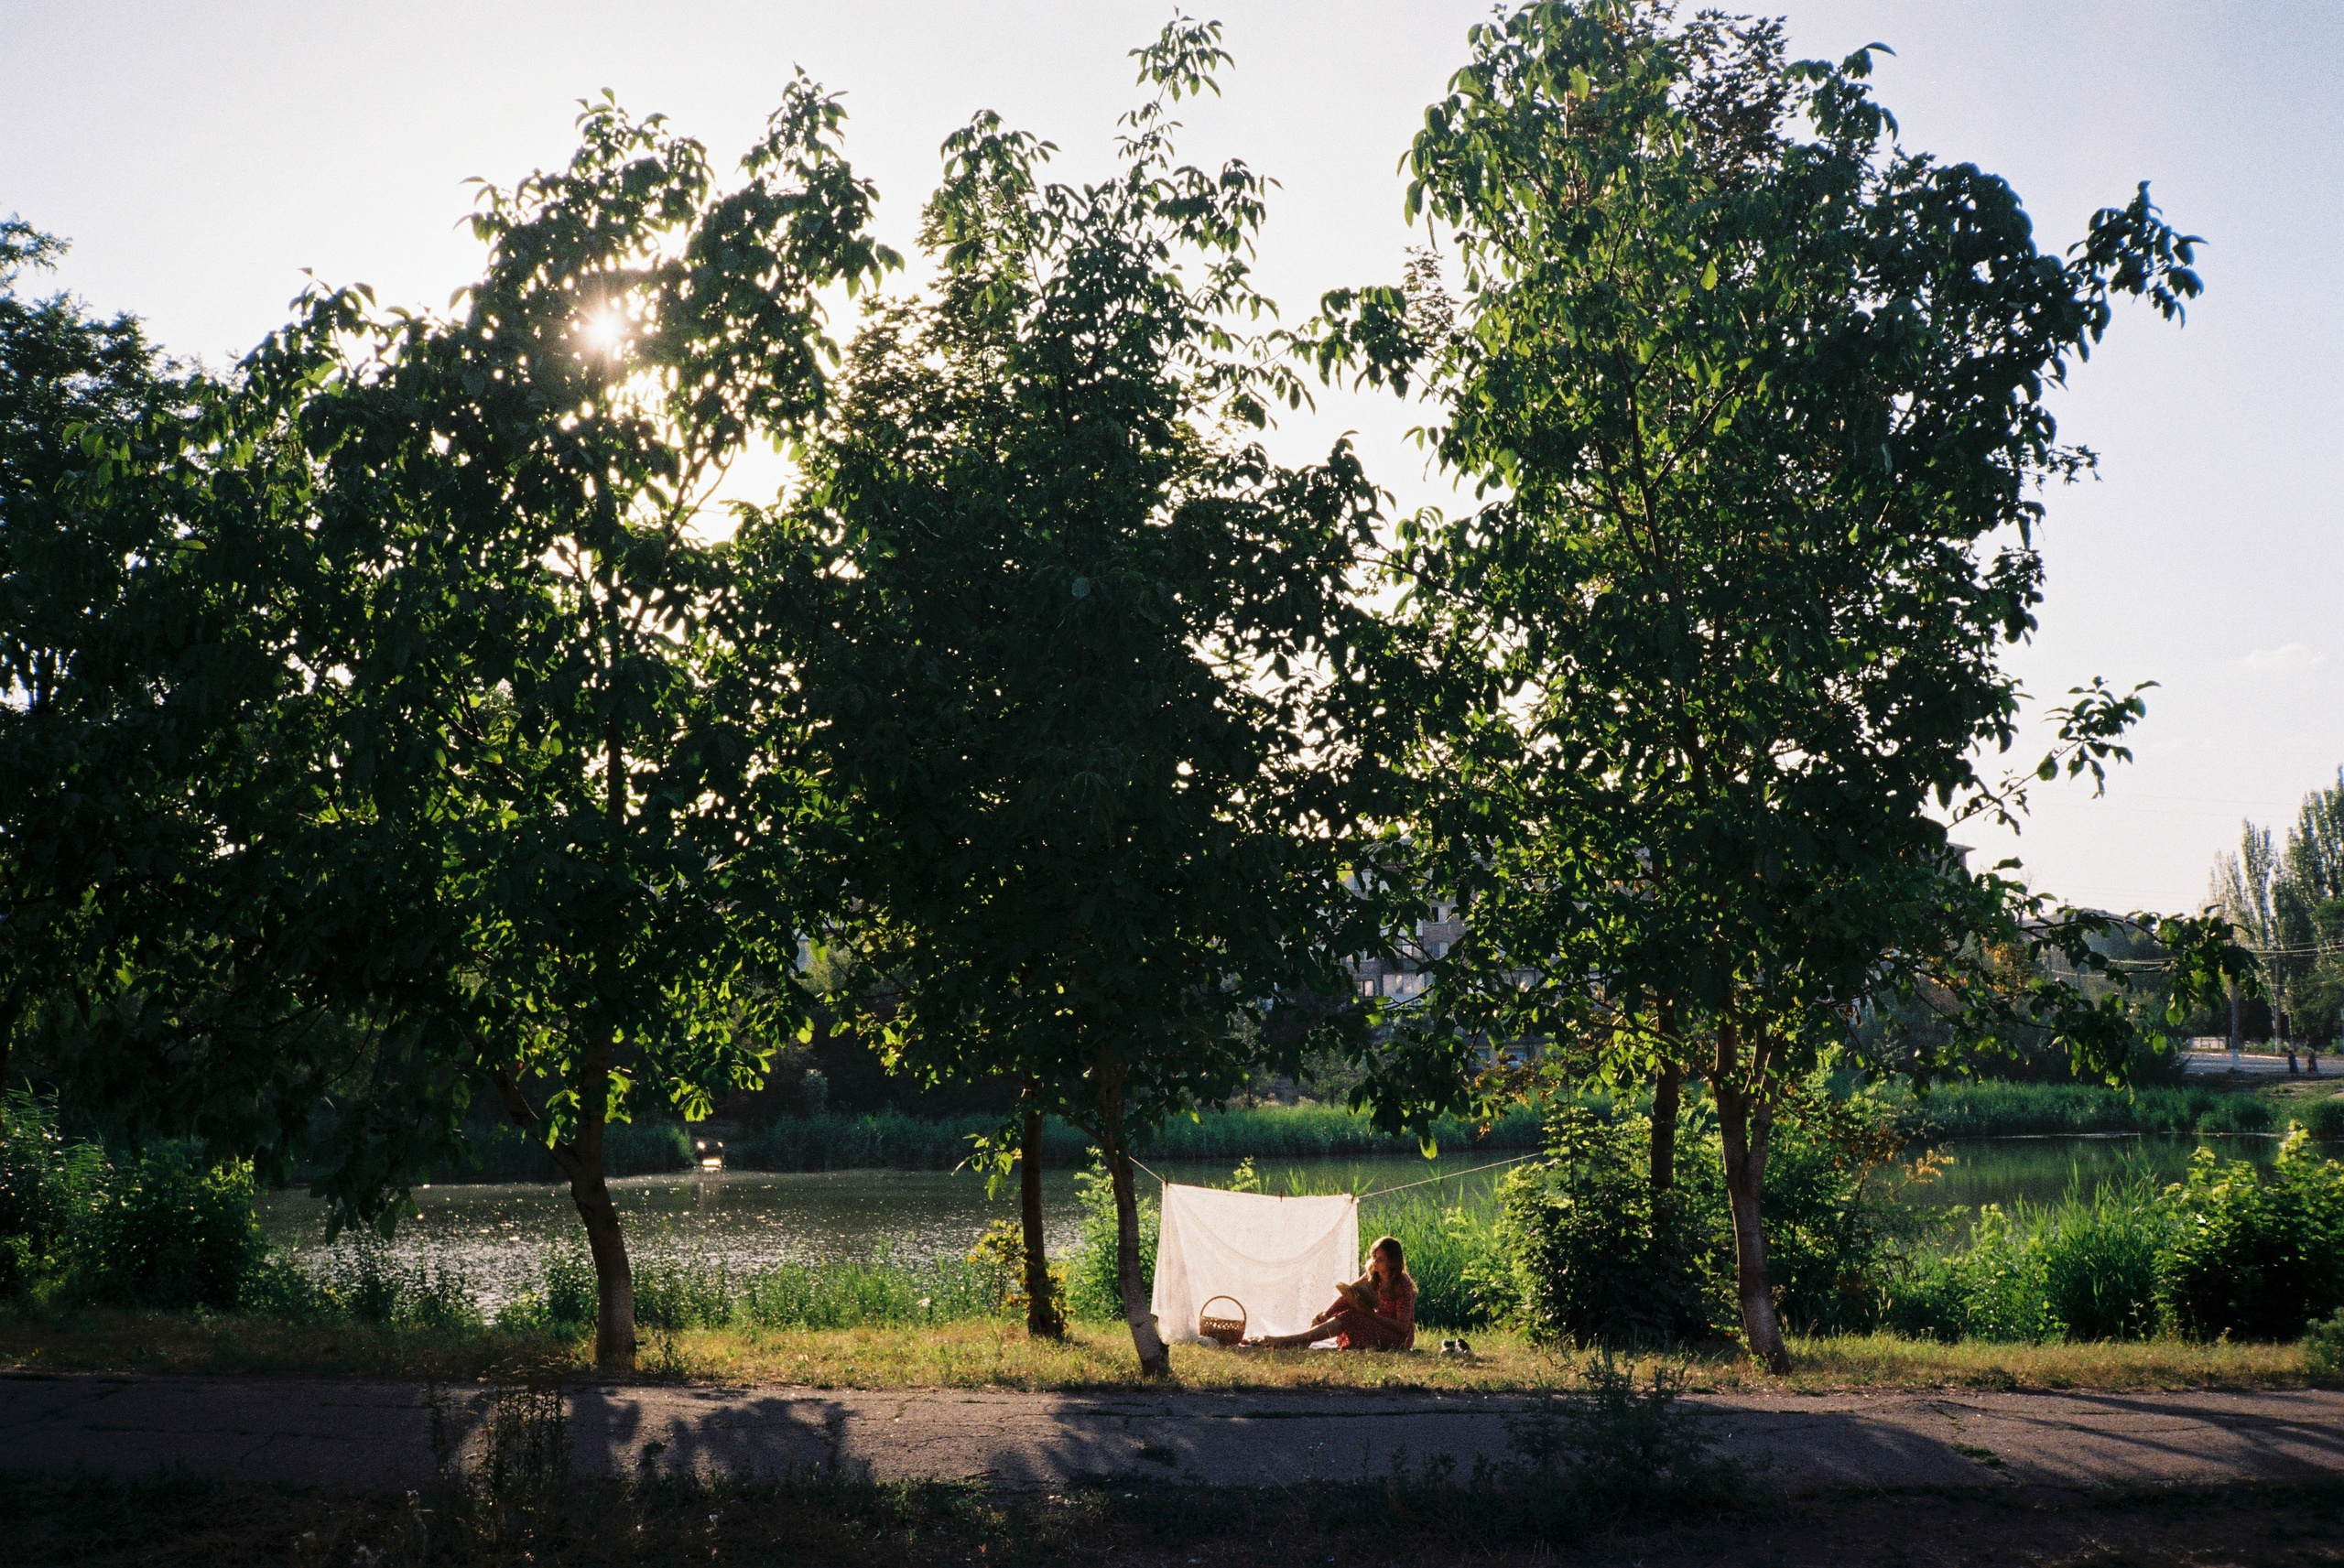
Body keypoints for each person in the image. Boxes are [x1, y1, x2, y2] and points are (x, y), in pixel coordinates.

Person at [1244, 1235, 1416, 1351]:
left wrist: (1369, 1315)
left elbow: (1402, 1327)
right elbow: (1349, 1297)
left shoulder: (1402, 1285)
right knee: (1351, 1311)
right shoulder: (1373, 1275)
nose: (1376, 1263)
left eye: (1381, 1259)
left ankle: (1295, 1340)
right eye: (1374, 1257)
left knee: (1353, 1316)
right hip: (1377, 1328)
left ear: (1393, 1262)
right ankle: (1301, 1339)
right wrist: (1327, 1315)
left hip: (1399, 1339)